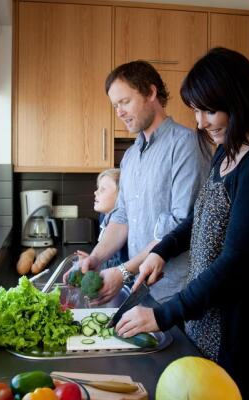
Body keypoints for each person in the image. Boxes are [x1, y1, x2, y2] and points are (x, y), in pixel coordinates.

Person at [114, 48, 249, 400]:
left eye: (209, 110)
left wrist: (164, 314)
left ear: (238, 100)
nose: (200, 122)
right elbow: (198, 221)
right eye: (196, 110)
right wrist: (162, 252)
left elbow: (237, 264)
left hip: (243, 331)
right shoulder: (225, 154)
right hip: (207, 318)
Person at [75, 60, 211, 304]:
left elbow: (182, 225)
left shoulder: (186, 145)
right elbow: (122, 217)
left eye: (125, 102)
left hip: (176, 291)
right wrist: (95, 257)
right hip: (141, 289)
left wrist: (124, 270)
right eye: (115, 106)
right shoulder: (130, 157)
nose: (119, 113)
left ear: (151, 92)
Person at [76, 168, 128, 269]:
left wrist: (98, 264)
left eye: (102, 189)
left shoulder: (124, 225)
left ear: (121, 195)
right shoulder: (104, 216)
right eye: (98, 188)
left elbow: (123, 263)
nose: (96, 192)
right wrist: (93, 259)